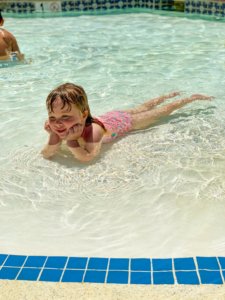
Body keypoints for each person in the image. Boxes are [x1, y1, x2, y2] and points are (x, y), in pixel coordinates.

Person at [41, 82, 213, 163]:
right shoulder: (62, 128)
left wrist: (71, 141)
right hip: (111, 116)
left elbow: (88, 157)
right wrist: (53, 137)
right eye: (53, 117)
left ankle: (188, 99)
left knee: (161, 112)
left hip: (127, 122)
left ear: (83, 114)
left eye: (65, 117)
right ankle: (168, 95)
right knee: (142, 106)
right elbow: (47, 154)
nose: (58, 123)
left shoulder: (93, 131)